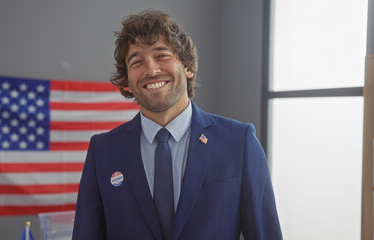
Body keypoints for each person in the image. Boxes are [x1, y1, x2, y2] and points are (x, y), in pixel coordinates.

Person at [72, 9, 282, 240]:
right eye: (137, 61)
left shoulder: (238, 141)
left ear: (188, 67)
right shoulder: (103, 150)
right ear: (127, 83)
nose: (151, 70)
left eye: (162, 55)